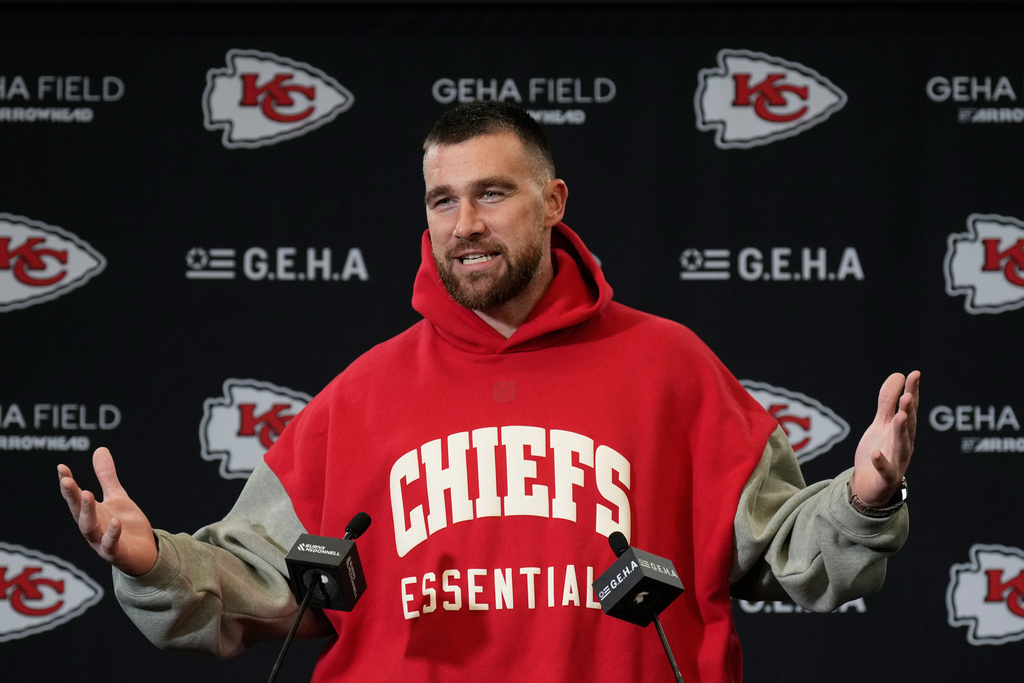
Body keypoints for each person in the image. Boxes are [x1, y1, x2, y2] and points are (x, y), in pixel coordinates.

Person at [58, 100, 920, 682]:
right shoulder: (362, 396)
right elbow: (253, 577)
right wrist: (152, 559)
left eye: (492, 194)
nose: (464, 224)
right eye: (442, 201)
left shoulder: (671, 367)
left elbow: (786, 549)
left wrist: (864, 497)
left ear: (553, 202)